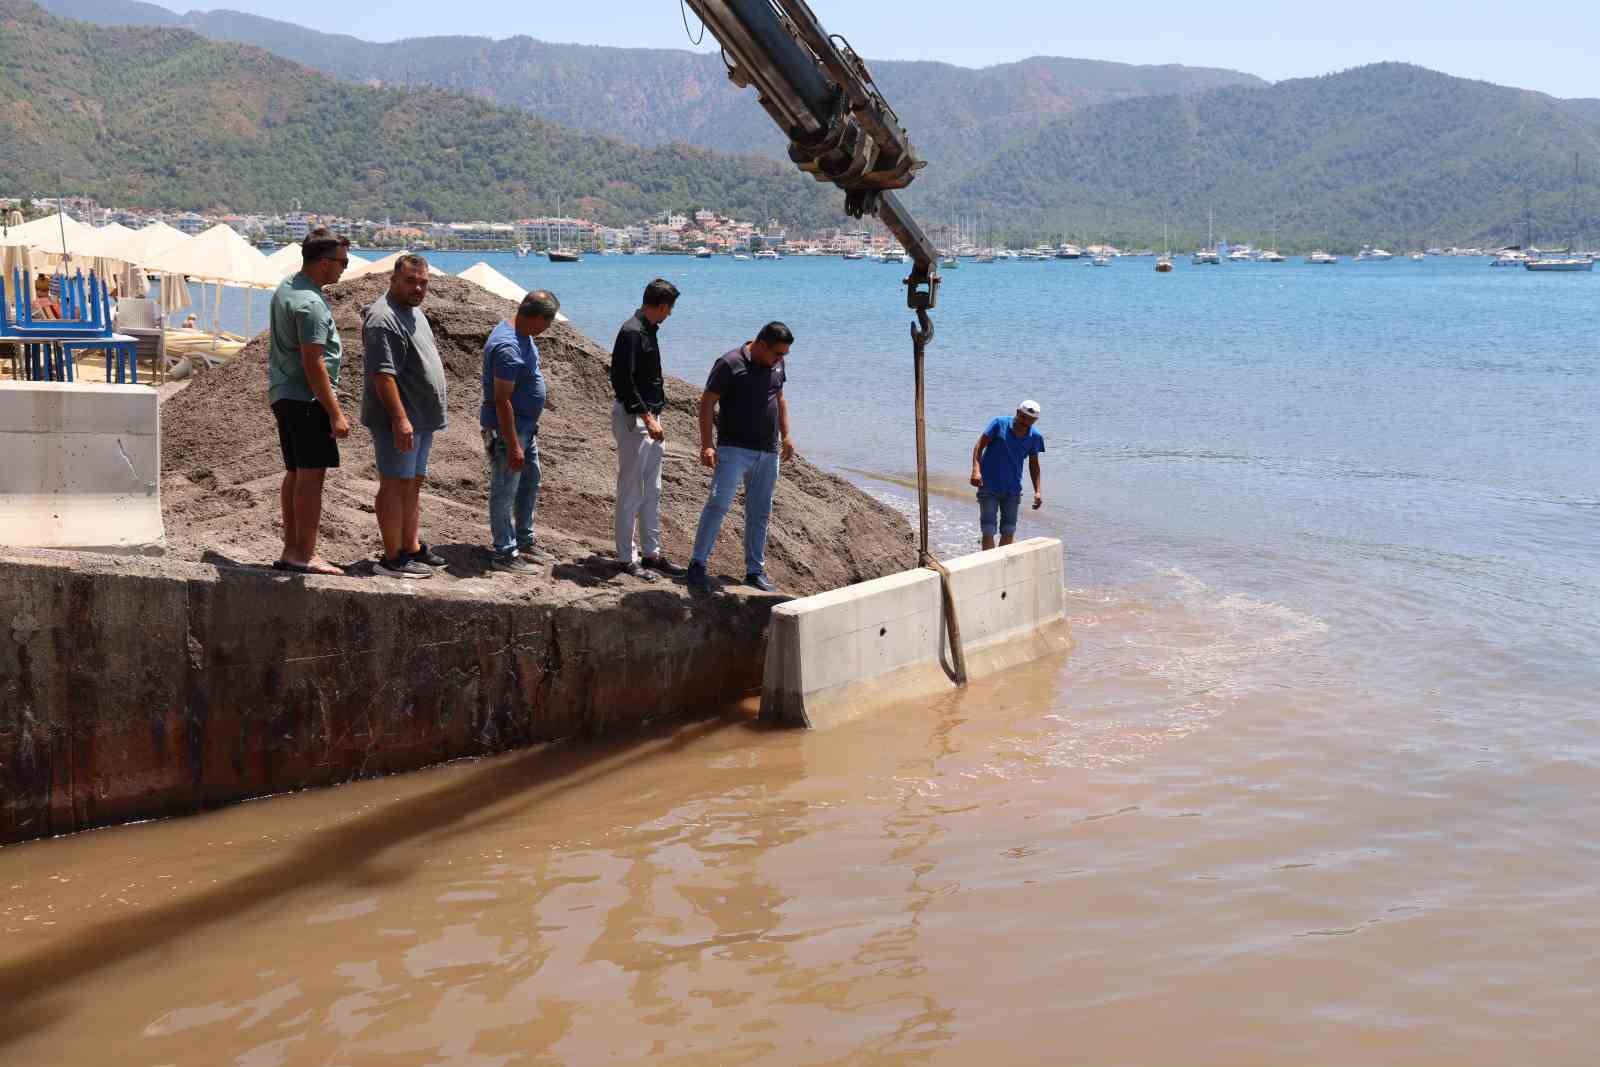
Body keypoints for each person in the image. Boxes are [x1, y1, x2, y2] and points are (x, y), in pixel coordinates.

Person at [685, 322, 795, 594]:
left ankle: (754, 571)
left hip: (767, 451)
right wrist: (707, 444)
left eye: (784, 355)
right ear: (761, 345)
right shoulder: (730, 363)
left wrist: (787, 434)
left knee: (760, 512)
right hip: (734, 448)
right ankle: (697, 564)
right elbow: (707, 401)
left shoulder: (778, 365)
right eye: (777, 354)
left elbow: (779, 397)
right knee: (718, 503)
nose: (780, 360)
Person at [267, 227, 351, 575]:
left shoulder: (288, 286)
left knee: (295, 474)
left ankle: (292, 550)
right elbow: (314, 363)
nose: (345, 268)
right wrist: (336, 413)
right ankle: (305, 553)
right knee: (311, 478)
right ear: (322, 263)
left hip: (285, 393)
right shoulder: (311, 304)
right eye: (341, 262)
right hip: (306, 398)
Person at [362, 254, 448, 579]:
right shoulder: (384, 318)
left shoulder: (414, 312)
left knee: (412, 483)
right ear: (393, 280)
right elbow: (382, 376)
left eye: (423, 282)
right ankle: (391, 558)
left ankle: (410, 546)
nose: (418, 288)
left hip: (421, 417)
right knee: (394, 484)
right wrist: (400, 419)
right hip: (400, 419)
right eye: (411, 281)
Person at [610, 278, 684, 581]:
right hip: (636, 419)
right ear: (662, 306)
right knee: (631, 489)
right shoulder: (631, 332)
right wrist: (647, 417)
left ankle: (651, 552)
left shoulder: (649, 331)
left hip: (651, 418)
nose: (669, 315)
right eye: (670, 309)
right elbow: (622, 380)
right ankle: (627, 557)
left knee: (652, 489)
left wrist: (656, 415)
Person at [481, 290, 559, 573]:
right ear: (537, 317)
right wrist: (513, 444)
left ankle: (524, 540)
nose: (546, 330)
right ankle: (504, 552)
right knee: (504, 488)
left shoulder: (521, 334)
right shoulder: (508, 347)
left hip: (526, 427)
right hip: (509, 430)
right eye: (547, 323)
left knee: (530, 480)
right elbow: (501, 400)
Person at [969, 399, 1045, 550]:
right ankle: (989, 565)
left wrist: (1037, 491)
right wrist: (976, 470)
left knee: (1009, 530)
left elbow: (1034, 464)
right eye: (1022, 417)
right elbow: (979, 446)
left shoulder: (1035, 437)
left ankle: (1001, 567)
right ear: (1017, 412)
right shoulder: (999, 424)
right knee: (988, 529)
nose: (1025, 422)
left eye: (1030, 420)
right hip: (988, 486)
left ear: (1035, 421)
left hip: (1012, 490)